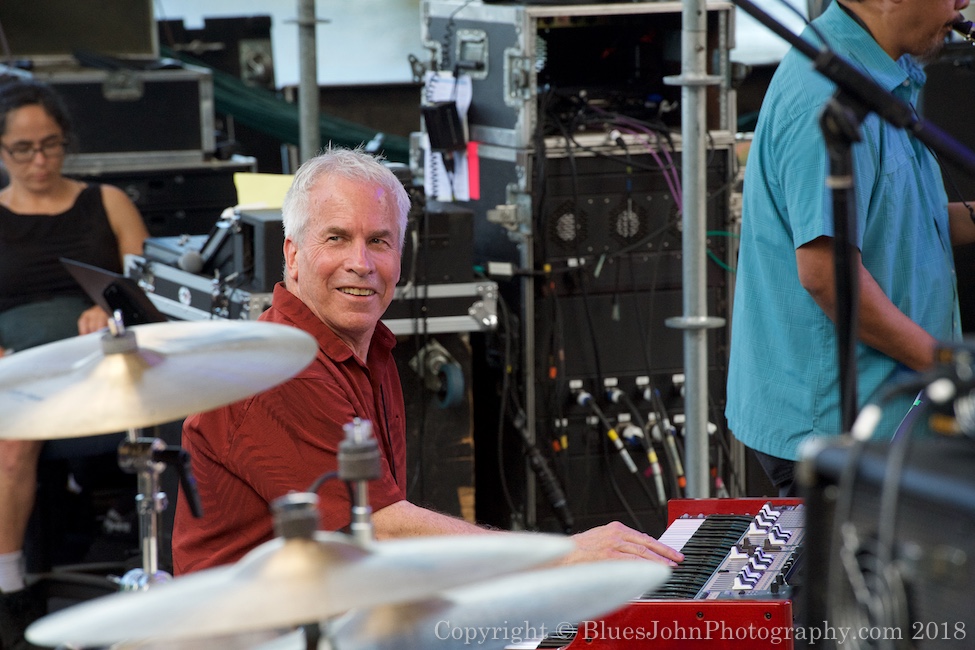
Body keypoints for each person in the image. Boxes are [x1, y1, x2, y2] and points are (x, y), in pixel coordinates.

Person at [171, 146, 685, 574]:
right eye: (336, 238)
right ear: (292, 255)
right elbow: (381, 528)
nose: (361, 263)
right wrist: (559, 555)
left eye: (379, 241)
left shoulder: (370, 352)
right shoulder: (277, 370)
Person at [726, 0, 975, 496]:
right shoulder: (823, 98)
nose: (964, 3)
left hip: (884, 413)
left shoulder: (884, 71)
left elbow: (904, 226)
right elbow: (827, 277)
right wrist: (949, 368)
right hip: (837, 427)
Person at [0, 78, 149, 647]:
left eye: (52, 144)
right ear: (2, 151)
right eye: (23, 149)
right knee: (13, 438)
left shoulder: (106, 201)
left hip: (102, 365)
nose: (40, 160)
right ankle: (10, 585)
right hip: (21, 372)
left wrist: (105, 307)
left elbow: (144, 287)